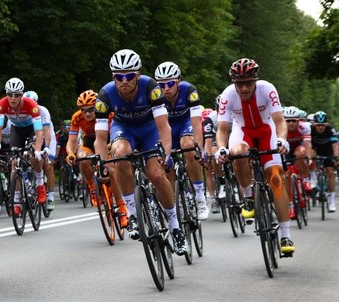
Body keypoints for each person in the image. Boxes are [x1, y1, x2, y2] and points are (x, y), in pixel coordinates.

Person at [94, 49, 187, 255]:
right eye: (119, 76)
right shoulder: (104, 95)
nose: (124, 81)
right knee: (119, 154)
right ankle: (133, 214)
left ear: (137, 75)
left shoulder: (151, 87)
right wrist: (105, 162)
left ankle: (175, 227)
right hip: (123, 129)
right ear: (113, 77)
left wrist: (167, 153)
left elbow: (164, 126)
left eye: (129, 76)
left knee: (156, 174)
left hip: (150, 130)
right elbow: (100, 139)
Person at [215, 58, 295, 255]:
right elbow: (223, 129)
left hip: (267, 131)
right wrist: (221, 148)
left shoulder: (267, 89)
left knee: (276, 180)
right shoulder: (227, 95)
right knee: (238, 153)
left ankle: (285, 234)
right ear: (234, 83)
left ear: (256, 80)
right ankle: (248, 195)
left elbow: (279, 121)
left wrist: (282, 140)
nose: (244, 88)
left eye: (248, 83)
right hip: (243, 132)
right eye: (239, 83)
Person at [154, 61, 209, 220]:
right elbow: (157, 126)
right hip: (168, 128)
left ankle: (199, 197)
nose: (166, 89)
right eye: (161, 85)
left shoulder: (189, 91)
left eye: (170, 84)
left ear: (178, 81)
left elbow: (197, 122)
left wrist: (200, 149)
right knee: (166, 163)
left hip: (186, 124)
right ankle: (174, 201)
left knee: (189, 146)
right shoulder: (155, 95)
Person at [66, 90, 128, 226]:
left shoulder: (108, 113)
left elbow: (116, 131)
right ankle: (92, 189)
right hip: (89, 141)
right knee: (82, 159)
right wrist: (71, 153)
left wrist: (112, 146)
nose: (87, 113)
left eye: (90, 109)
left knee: (111, 171)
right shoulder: (77, 118)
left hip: (108, 139)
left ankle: (122, 207)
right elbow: (72, 140)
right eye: (83, 110)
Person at [0, 78, 46, 216]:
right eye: (10, 94)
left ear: (22, 95)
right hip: (16, 130)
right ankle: (16, 201)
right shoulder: (2, 104)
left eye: (16, 95)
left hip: (31, 129)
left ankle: (39, 182)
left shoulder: (31, 104)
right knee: (14, 163)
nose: (13, 98)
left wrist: (38, 150)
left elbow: (39, 131)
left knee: (35, 156)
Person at [24, 90, 57, 211]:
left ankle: (51, 197)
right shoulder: (23, 111)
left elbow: (46, 131)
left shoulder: (43, 111)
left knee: (48, 165)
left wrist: (47, 147)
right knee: (29, 156)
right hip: (34, 136)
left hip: (47, 135)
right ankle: (34, 181)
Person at [310, 111, 338, 211]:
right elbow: (308, 144)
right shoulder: (311, 129)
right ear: (314, 124)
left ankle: (331, 201)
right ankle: (313, 177)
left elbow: (335, 145)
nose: (320, 127)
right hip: (316, 149)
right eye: (318, 125)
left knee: (330, 172)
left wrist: (336, 157)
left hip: (328, 150)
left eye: (322, 125)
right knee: (311, 155)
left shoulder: (330, 129)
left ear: (326, 124)